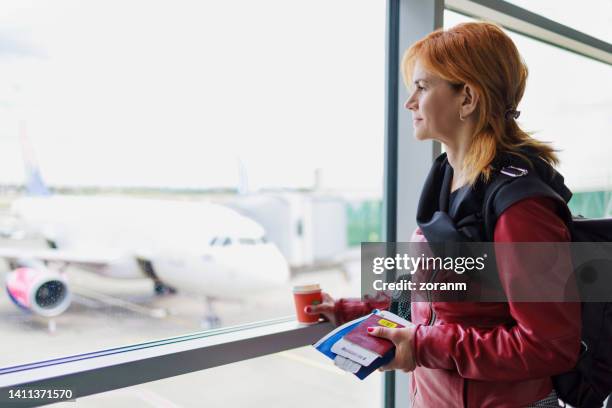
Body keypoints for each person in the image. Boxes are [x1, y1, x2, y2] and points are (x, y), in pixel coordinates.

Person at [305, 22, 581, 408]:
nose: (409, 103)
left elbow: (548, 346)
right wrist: (351, 310)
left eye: (422, 86)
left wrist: (421, 346)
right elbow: (439, 299)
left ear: (467, 98)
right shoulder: (446, 184)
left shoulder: (522, 207)